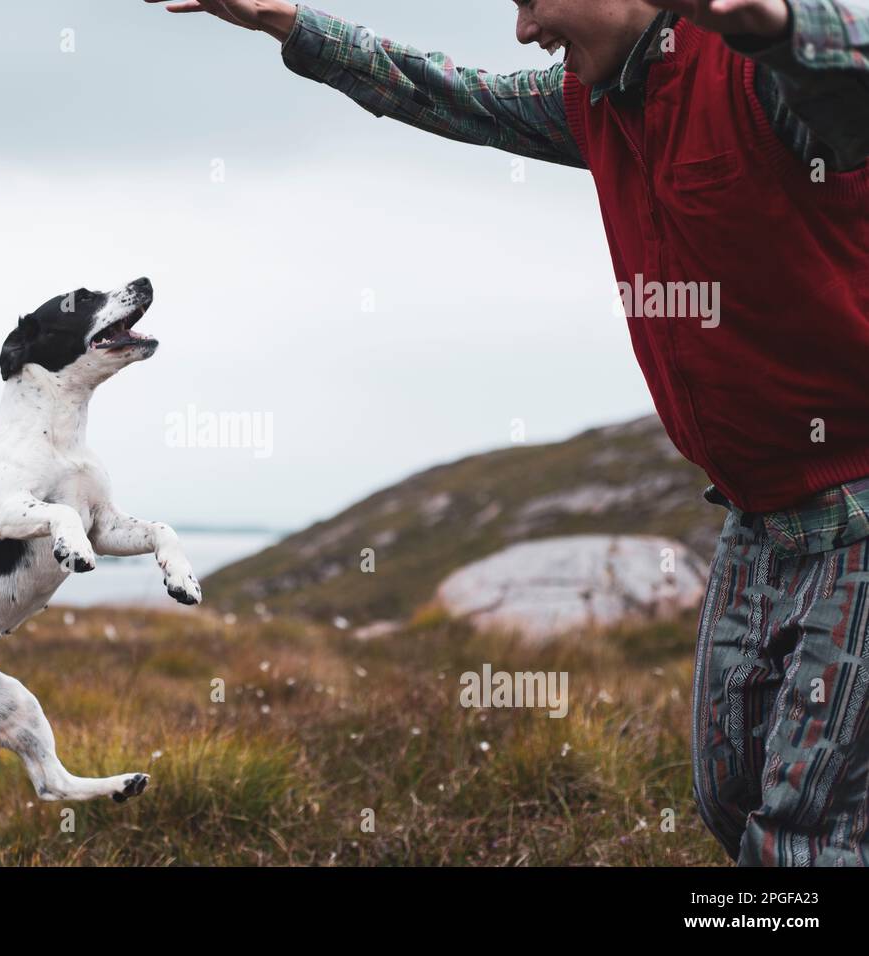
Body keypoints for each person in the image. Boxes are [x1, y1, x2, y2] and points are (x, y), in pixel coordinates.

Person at [147, 0, 869, 867]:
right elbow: (454, 95)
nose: (525, 29)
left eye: (533, 0)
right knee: (731, 795)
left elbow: (850, 92)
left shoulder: (759, 74)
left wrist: (782, 25)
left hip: (857, 511)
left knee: (802, 838)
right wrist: (289, 23)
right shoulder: (593, 102)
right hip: (755, 518)